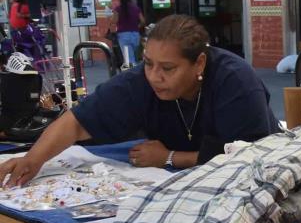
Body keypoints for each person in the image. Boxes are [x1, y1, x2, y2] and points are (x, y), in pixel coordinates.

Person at [0, 15, 281, 187]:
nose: (155, 77)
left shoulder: (236, 82)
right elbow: (75, 122)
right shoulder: (140, 81)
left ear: (199, 64)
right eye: (148, 64)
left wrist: (170, 157)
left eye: (168, 69)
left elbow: (249, 157)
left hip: (255, 177)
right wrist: (32, 159)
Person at [111, 0, 145, 67]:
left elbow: (114, 21)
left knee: (128, 59)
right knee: (135, 57)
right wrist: (137, 26)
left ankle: (132, 74)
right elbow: (143, 21)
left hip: (123, 36)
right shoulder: (136, 8)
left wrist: (110, 17)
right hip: (135, 35)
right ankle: (136, 72)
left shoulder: (118, 9)